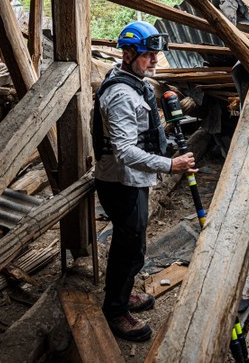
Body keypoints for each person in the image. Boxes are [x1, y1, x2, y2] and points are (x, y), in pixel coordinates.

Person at [93, 20, 197, 341]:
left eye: (156, 54)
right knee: (128, 246)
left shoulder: (131, 78)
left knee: (135, 244)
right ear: (127, 53)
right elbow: (124, 152)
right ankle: (115, 310)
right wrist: (170, 164)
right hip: (120, 182)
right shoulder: (122, 95)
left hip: (133, 179)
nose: (155, 60)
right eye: (147, 55)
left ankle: (122, 296)